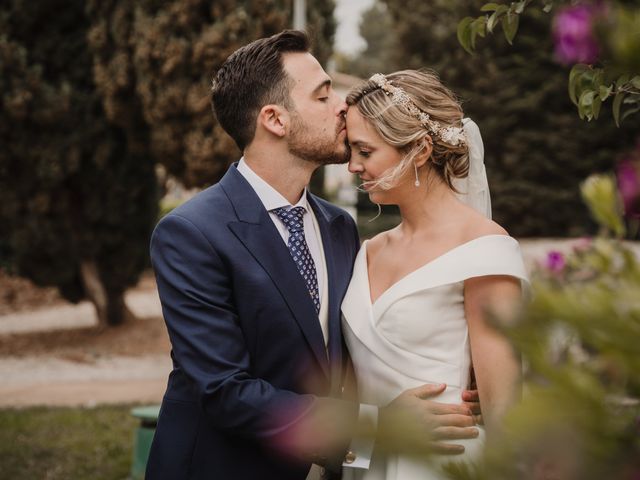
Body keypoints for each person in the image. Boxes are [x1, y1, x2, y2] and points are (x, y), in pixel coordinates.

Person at [146, 31, 481, 480]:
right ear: (275, 120)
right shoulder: (191, 233)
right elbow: (225, 391)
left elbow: (348, 350)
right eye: (324, 96)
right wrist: (378, 425)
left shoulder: (337, 226)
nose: (343, 106)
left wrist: (456, 373)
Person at [342, 70, 529, 479]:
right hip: (370, 460)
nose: (353, 166)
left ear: (421, 149)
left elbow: (504, 410)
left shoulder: (483, 250)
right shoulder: (367, 251)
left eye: (365, 150)